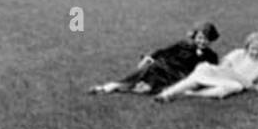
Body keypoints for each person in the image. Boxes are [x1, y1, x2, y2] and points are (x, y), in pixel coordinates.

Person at [88, 22, 220, 95]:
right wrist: (148, 57)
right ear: (195, 37)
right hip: (164, 67)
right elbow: (163, 50)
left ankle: (134, 87)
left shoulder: (211, 56)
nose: (202, 41)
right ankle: (110, 86)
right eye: (200, 38)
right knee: (146, 71)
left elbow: (209, 73)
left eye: (206, 39)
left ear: (211, 40)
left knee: (156, 87)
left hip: (179, 76)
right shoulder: (183, 45)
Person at [154, 32, 258, 101]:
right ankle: (167, 94)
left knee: (235, 87)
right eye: (253, 49)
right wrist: (244, 81)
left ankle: (192, 94)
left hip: (233, 84)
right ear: (247, 48)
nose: (255, 52)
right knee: (198, 75)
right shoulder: (239, 53)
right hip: (219, 74)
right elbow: (223, 67)